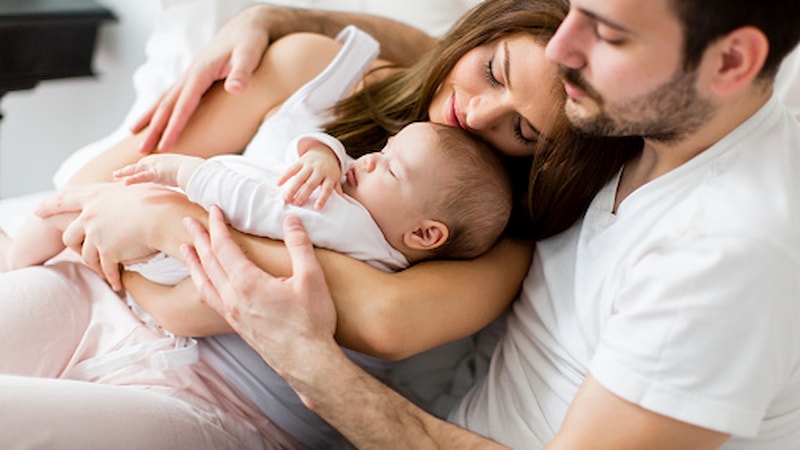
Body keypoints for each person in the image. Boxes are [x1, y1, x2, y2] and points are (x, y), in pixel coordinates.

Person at [0, 0, 641, 448]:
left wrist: (175, 223)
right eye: (492, 71)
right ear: (478, 32)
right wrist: (285, 17)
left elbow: (385, 319)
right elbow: (112, 177)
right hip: (93, 294)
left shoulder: (497, 245)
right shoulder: (316, 67)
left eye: (523, 129)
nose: (476, 114)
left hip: (221, 409)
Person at [173, 0, 800, 448]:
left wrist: (309, 361)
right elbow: (469, 65)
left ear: (731, 62)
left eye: (606, 34)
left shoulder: (726, 254)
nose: (562, 48)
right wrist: (285, 19)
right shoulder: (628, 116)